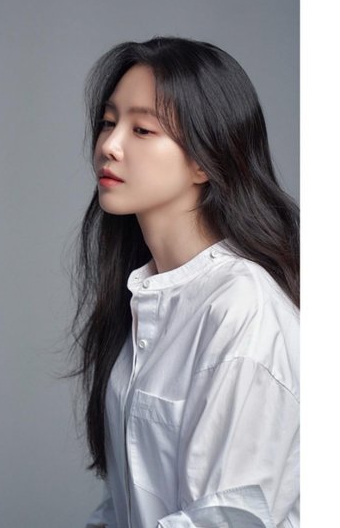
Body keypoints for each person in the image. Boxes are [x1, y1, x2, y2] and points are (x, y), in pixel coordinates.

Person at [65, 36, 299, 528]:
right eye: (108, 122)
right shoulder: (145, 297)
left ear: (204, 159)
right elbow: (128, 504)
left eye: (142, 129)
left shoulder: (241, 307)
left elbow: (229, 516)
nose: (109, 146)